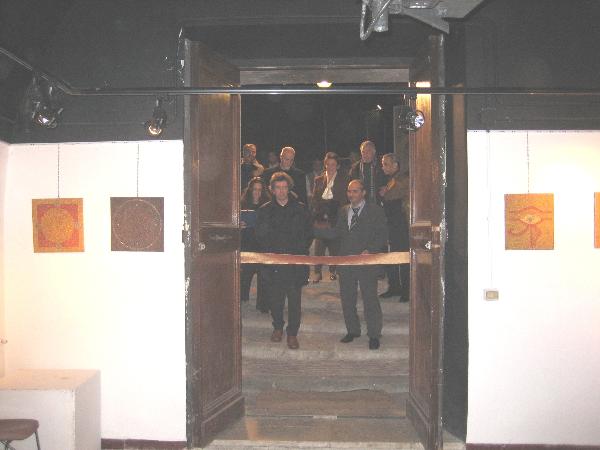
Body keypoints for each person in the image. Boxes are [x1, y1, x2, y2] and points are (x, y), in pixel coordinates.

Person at [314, 179, 388, 350]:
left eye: (355, 191)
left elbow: (382, 234)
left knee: (370, 299)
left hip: (366, 261)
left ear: (363, 193)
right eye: (349, 191)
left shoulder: (375, 210)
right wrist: (316, 230)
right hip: (346, 261)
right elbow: (337, 233)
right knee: (347, 299)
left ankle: (374, 334)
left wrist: (371, 249)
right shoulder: (343, 211)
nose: (351, 194)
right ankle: (353, 330)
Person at [256, 172, 313, 350]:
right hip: (274, 264)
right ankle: (278, 327)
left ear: (289, 188)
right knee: (276, 300)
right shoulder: (265, 210)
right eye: (278, 188)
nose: (281, 191)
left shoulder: (300, 209)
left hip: (295, 263)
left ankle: (292, 333)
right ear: (272, 190)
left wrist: (298, 251)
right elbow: (260, 236)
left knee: (295, 301)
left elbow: (308, 234)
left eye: (284, 187)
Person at [311, 152, 349, 282]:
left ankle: (333, 271)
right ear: (325, 165)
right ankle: (317, 272)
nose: (330, 167)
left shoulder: (344, 180)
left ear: (337, 166)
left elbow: (345, 200)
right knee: (319, 245)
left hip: (337, 216)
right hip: (321, 217)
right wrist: (318, 212)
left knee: (334, 246)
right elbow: (315, 199)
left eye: (333, 164)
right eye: (328, 164)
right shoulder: (318, 180)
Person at [379, 153, 410, 301]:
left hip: (400, 224)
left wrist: (385, 194)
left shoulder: (402, 180)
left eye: (386, 164)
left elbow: (395, 198)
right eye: (382, 164)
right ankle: (394, 286)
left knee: (402, 256)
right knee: (391, 256)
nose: (383, 167)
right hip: (391, 223)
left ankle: (406, 290)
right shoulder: (391, 180)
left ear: (395, 165)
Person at [240, 177, 271, 312]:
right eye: (254, 189)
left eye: (259, 190)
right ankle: (242, 299)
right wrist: (240, 224)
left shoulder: (268, 205)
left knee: (263, 275)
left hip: (262, 243)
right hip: (247, 242)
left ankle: (263, 305)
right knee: (245, 274)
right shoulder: (242, 204)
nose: (257, 192)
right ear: (250, 190)